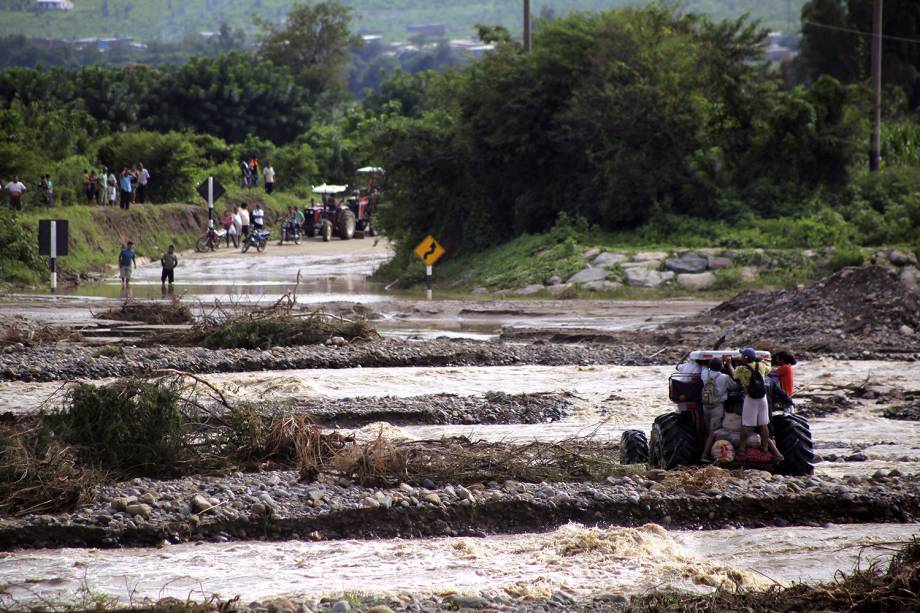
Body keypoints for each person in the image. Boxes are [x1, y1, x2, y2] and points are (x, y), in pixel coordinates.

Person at [725, 348, 784, 460]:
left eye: (742, 355)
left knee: (746, 424)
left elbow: (734, 375)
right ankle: (765, 448)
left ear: (744, 358)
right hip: (762, 398)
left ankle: (741, 449)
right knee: (764, 424)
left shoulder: (741, 369)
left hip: (750, 398)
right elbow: (769, 369)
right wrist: (762, 361)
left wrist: (728, 364)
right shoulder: (760, 366)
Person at [700, 358, 738, 460]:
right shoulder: (724, 377)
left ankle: (704, 451)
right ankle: (708, 455)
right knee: (714, 432)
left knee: (708, 430)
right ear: (721, 367)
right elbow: (734, 387)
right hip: (717, 407)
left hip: (705, 406)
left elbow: (703, 369)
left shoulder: (704, 374)